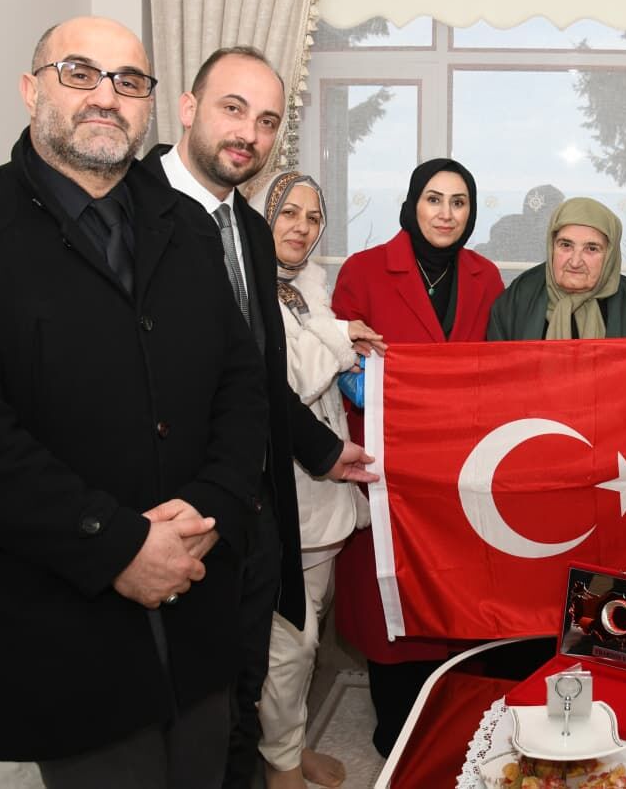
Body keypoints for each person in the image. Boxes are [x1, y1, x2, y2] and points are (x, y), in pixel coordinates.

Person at [0, 16, 268, 787]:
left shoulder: (188, 228)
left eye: (129, 81)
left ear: (149, 106)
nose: (106, 97)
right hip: (61, 619)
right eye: (80, 73)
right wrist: (117, 546)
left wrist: (209, 509)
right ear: (31, 90)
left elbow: (241, 385)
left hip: (197, 593)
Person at [142, 46, 377, 789]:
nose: (249, 131)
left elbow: (252, 376)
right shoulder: (130, 207)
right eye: (233, 108)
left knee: (248, 676)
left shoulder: (245, 230)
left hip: (258, 505)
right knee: (193, 700)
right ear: (187, 107)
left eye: (268, 119)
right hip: (170, 506)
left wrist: (318, 448)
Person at [330, 158, 505, 756]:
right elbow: (338, 356)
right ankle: (398, 726)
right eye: (434, 199)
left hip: (461, 469)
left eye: (459, 202)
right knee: (392, 598)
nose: (446, 213)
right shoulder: (364, 270)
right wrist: (359, 378)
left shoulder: (486, 276)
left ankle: (457, 719)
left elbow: (501, 365)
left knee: (457, 592)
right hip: (388, 466)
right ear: (411, 204)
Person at [251, 170, 384, 789]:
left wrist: (340, 338)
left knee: (308, 629)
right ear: (261, 216)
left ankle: (291, 744)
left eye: (312, 216)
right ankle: (280, 763)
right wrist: (341, 333)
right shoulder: (243, 286)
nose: (301, 227)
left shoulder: (308, 285)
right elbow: (298, 377)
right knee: (294, 642)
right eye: (288, 213)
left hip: (326, 482)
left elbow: (319, 366)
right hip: (280, 485)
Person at [486, 196, 626, 340]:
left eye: (591, 249)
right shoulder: (520, 295)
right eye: (566, 245)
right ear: (552, 246)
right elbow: (497, 364)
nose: (575, 262)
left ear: (610, 255)